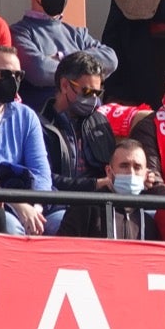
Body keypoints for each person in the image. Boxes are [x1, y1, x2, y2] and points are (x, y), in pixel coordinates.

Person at [7, 0, 117, 113]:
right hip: (47, 118)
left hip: (89, 115)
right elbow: (40, 71)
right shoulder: (19, 32)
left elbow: (110, 58)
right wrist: (86, 66)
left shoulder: (78, 33)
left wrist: (60, 57)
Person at [0, 45, 51, 236]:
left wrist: (35, 208)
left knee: (63, 221)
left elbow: (41, 172)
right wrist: (18, 205)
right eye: (4, 74)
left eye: (17, 75)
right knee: (13, 228)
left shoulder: (27, 116)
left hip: (29, 201)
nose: (12, 81)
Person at [39, 51, 117, 228]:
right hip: (59, 207)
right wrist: (94, 185)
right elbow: (44, 178)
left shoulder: (100, 122)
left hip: (101, 205)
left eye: (98, 93)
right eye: (87, 91)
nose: (94, 99)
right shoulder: (40, 124)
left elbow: (113, 166)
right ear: (65, 85)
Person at [59, 138, 155, 241]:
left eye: (137, 167)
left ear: (146, 174)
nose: (131, 173)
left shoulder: (148, 221)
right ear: (109, 171)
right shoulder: (84, 209)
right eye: (124, 166)